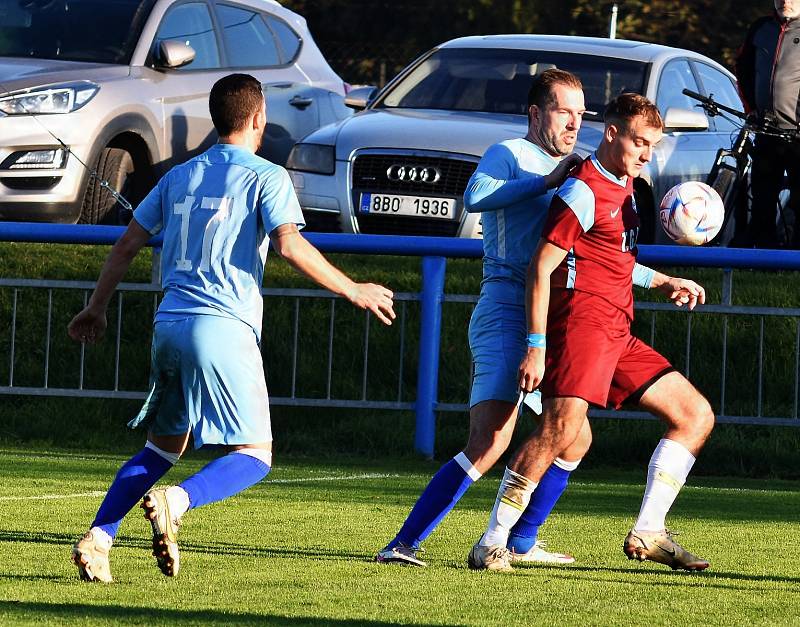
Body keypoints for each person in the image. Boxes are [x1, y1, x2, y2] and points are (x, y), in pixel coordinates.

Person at [68, 73, 396, 583]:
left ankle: (99, 537)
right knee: (255, 455)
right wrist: (353, 289)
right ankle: (177, 501)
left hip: (169, 324)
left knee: (161, 447)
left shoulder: (179, 175)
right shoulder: (267, 175)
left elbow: (127, 245)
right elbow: (289, 244)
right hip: (221, 326)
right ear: (258, 118)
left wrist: (96, 307)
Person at [469, 93, 715, 572]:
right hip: (580, 325)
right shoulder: (582, 189)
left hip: (616, 329)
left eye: (653, 146)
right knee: (559, 432)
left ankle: (648, 531)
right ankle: (492, 541)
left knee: (695, 415)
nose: (646, 155)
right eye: (639, 143)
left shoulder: (625, 188)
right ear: (611, 133)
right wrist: (536, 348)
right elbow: (542, 268)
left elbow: (614, 259)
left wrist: (665, 281)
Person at [375, 69, 593, 568]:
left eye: (581, 114)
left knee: (575, 436)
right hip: (504, 311)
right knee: (490, 440)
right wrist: (546, 180)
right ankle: (402, 544)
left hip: (546, 316)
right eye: (565, 111)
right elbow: (474, 196)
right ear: (536, 114)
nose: (575, 123)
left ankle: (520, 542)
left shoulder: (576, 169)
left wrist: (658, 280)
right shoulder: (510, 153)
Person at [734, 0, 800, 248]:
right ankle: (763, 259)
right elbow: (742, 67)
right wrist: (751, 109)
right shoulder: (761, 28)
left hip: (798, 136)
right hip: (766, 130)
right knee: (762, 199)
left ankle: (795, 261)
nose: (785, 1)